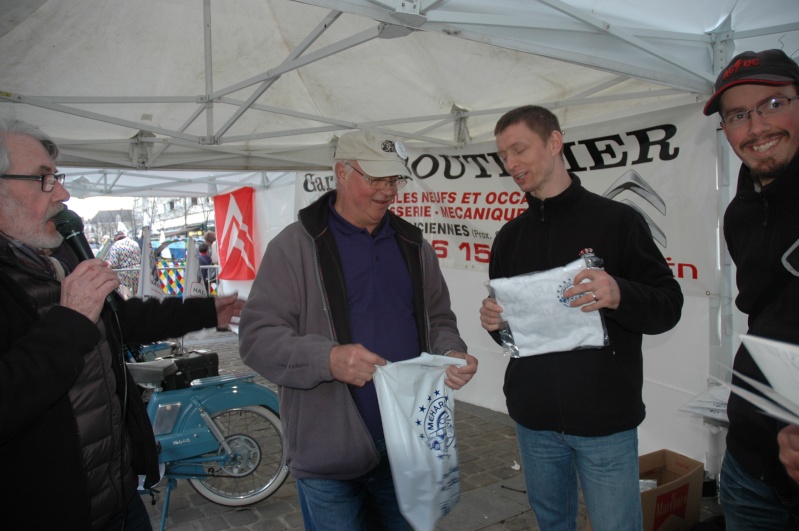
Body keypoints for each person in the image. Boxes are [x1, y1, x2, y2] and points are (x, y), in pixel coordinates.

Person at [0, 118, 245, 530]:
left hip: (119, 496)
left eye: (56, 177)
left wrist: (205, 311)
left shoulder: (60, 255)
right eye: (43, 179)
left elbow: (119, 318)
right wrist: (70, 320)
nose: (63, 192)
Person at [239, 130, 478, 530]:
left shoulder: (412, 244)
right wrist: (327, 359)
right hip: (328, 452)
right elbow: (256, 339)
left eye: (394, 180)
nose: (388, 192)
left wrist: (450, 351)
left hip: (407, 445)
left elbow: (439, 318)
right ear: (341, 173)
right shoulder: (294, 247)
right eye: (376, 179)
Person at [478, 105, 683, 531]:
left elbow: (668, 305)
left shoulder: (619, 221)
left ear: (555, 143)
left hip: (605, 423)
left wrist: (618, 293)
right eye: (503, 156)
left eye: (519, 149)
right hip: (533, 422)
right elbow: (515, 338)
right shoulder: (508, 238)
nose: (511, 164)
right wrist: (498, 324)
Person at [702, 49, 799, 529]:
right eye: (738, 115)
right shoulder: (741, 212)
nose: (757, 127)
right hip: (749, 469)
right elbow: (764, 317)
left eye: (774, 103)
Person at [108, 229, 141, 297]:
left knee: (125, 293)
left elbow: (114, 263)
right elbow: (140, 257)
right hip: (137, 271)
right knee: (137, 293)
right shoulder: (135, 243)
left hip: (124, 273)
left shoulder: (115, 246)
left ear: (116, 237)